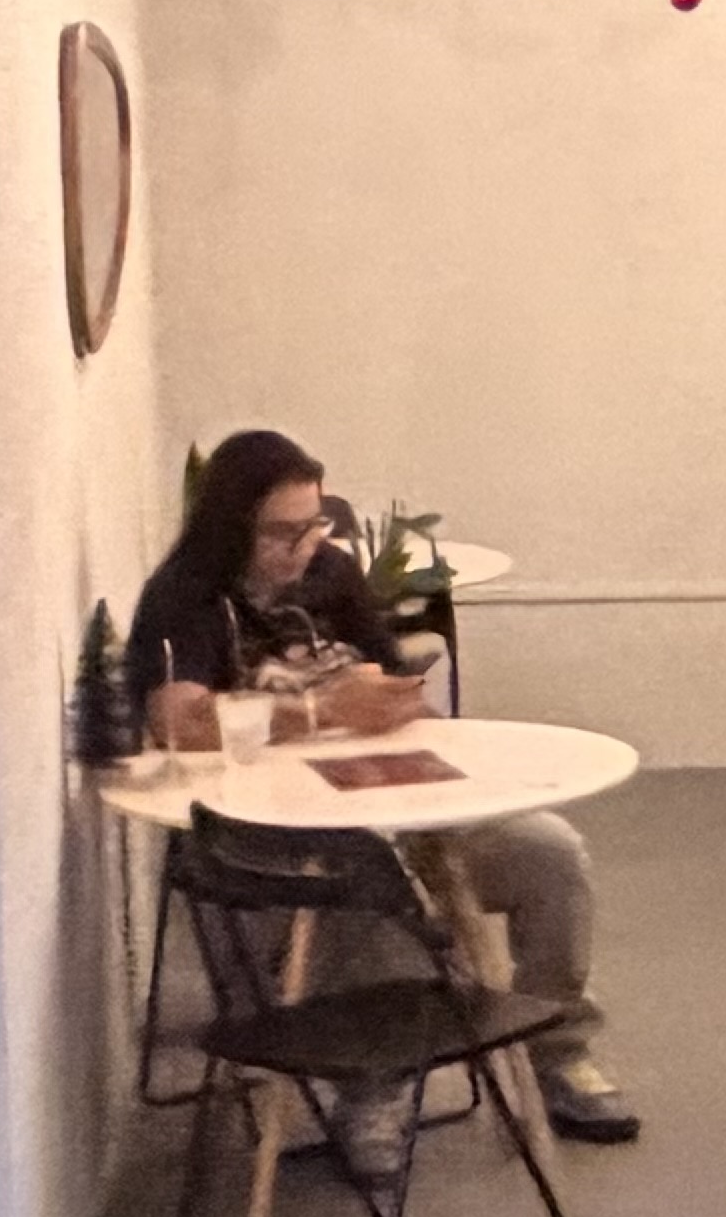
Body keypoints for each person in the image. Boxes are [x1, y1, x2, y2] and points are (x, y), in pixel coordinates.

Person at [125, 431, 639, 1156]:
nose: (303, 547)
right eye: (281, 532)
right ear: (232, 526)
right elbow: (179, 721)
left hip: (389, 807)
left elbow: (398, 687)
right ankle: (375, 1091)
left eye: (312, 525)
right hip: (276, 853)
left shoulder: (331, 573)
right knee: (374, 885)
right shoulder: (187, 597)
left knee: (550, 853)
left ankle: (558, 1047)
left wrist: (399, 705)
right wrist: (321, 712)